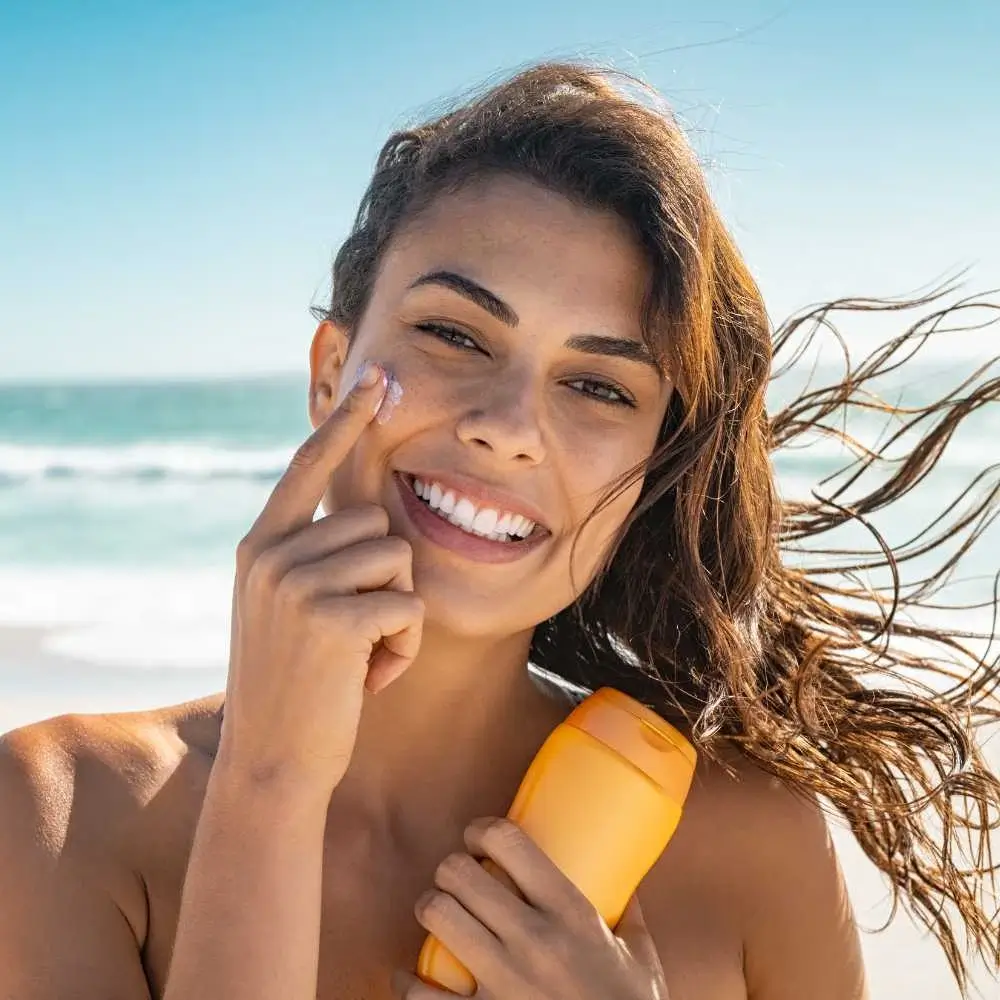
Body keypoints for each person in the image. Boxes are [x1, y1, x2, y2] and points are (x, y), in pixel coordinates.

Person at [0, 61, 997, 1000]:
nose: (509, 426)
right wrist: (267, 787)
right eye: (454, 334)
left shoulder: (754, 844)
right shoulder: (55, 815)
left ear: (651, 459)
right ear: (329, 369)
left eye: (599, 385)